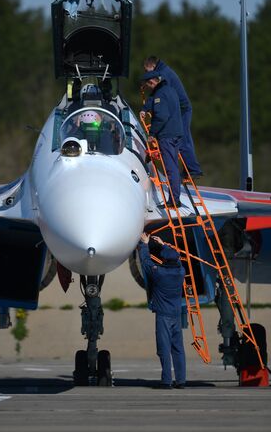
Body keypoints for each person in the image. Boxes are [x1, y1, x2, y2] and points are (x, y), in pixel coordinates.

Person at [138, 231, 186, 389]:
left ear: (165, 259)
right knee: (178, 349)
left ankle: (166, 381)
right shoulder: (180, 272)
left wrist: (145, 244)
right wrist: (163, 245)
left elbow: (145, 262)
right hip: (176, 315)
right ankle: (181, 381)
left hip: (163, 317)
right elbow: (175, 259)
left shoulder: (160, 273)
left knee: (164, 349)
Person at [143, 56, 202, 178]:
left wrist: (148, 108)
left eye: (147, 71)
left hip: (182, 109)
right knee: (181, 137)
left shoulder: (163, 74)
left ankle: (193, 169)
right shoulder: (163, 71)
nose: (147, 75)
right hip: (178, 108)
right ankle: (189, 168)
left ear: (153, 66)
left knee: (182, 138)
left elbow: (159, 93)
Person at [140, 71, 183, 207]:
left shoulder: (160, 94)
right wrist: (145, 108)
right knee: (174, 166)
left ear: (152, 82)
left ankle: (174, 201)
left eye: (148, 84)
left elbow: (162, 116)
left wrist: (152, 133)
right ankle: (175, 198)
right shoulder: (169, 90)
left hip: (167, 136)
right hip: (176, 133)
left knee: (171, 169)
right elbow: (153, 100)